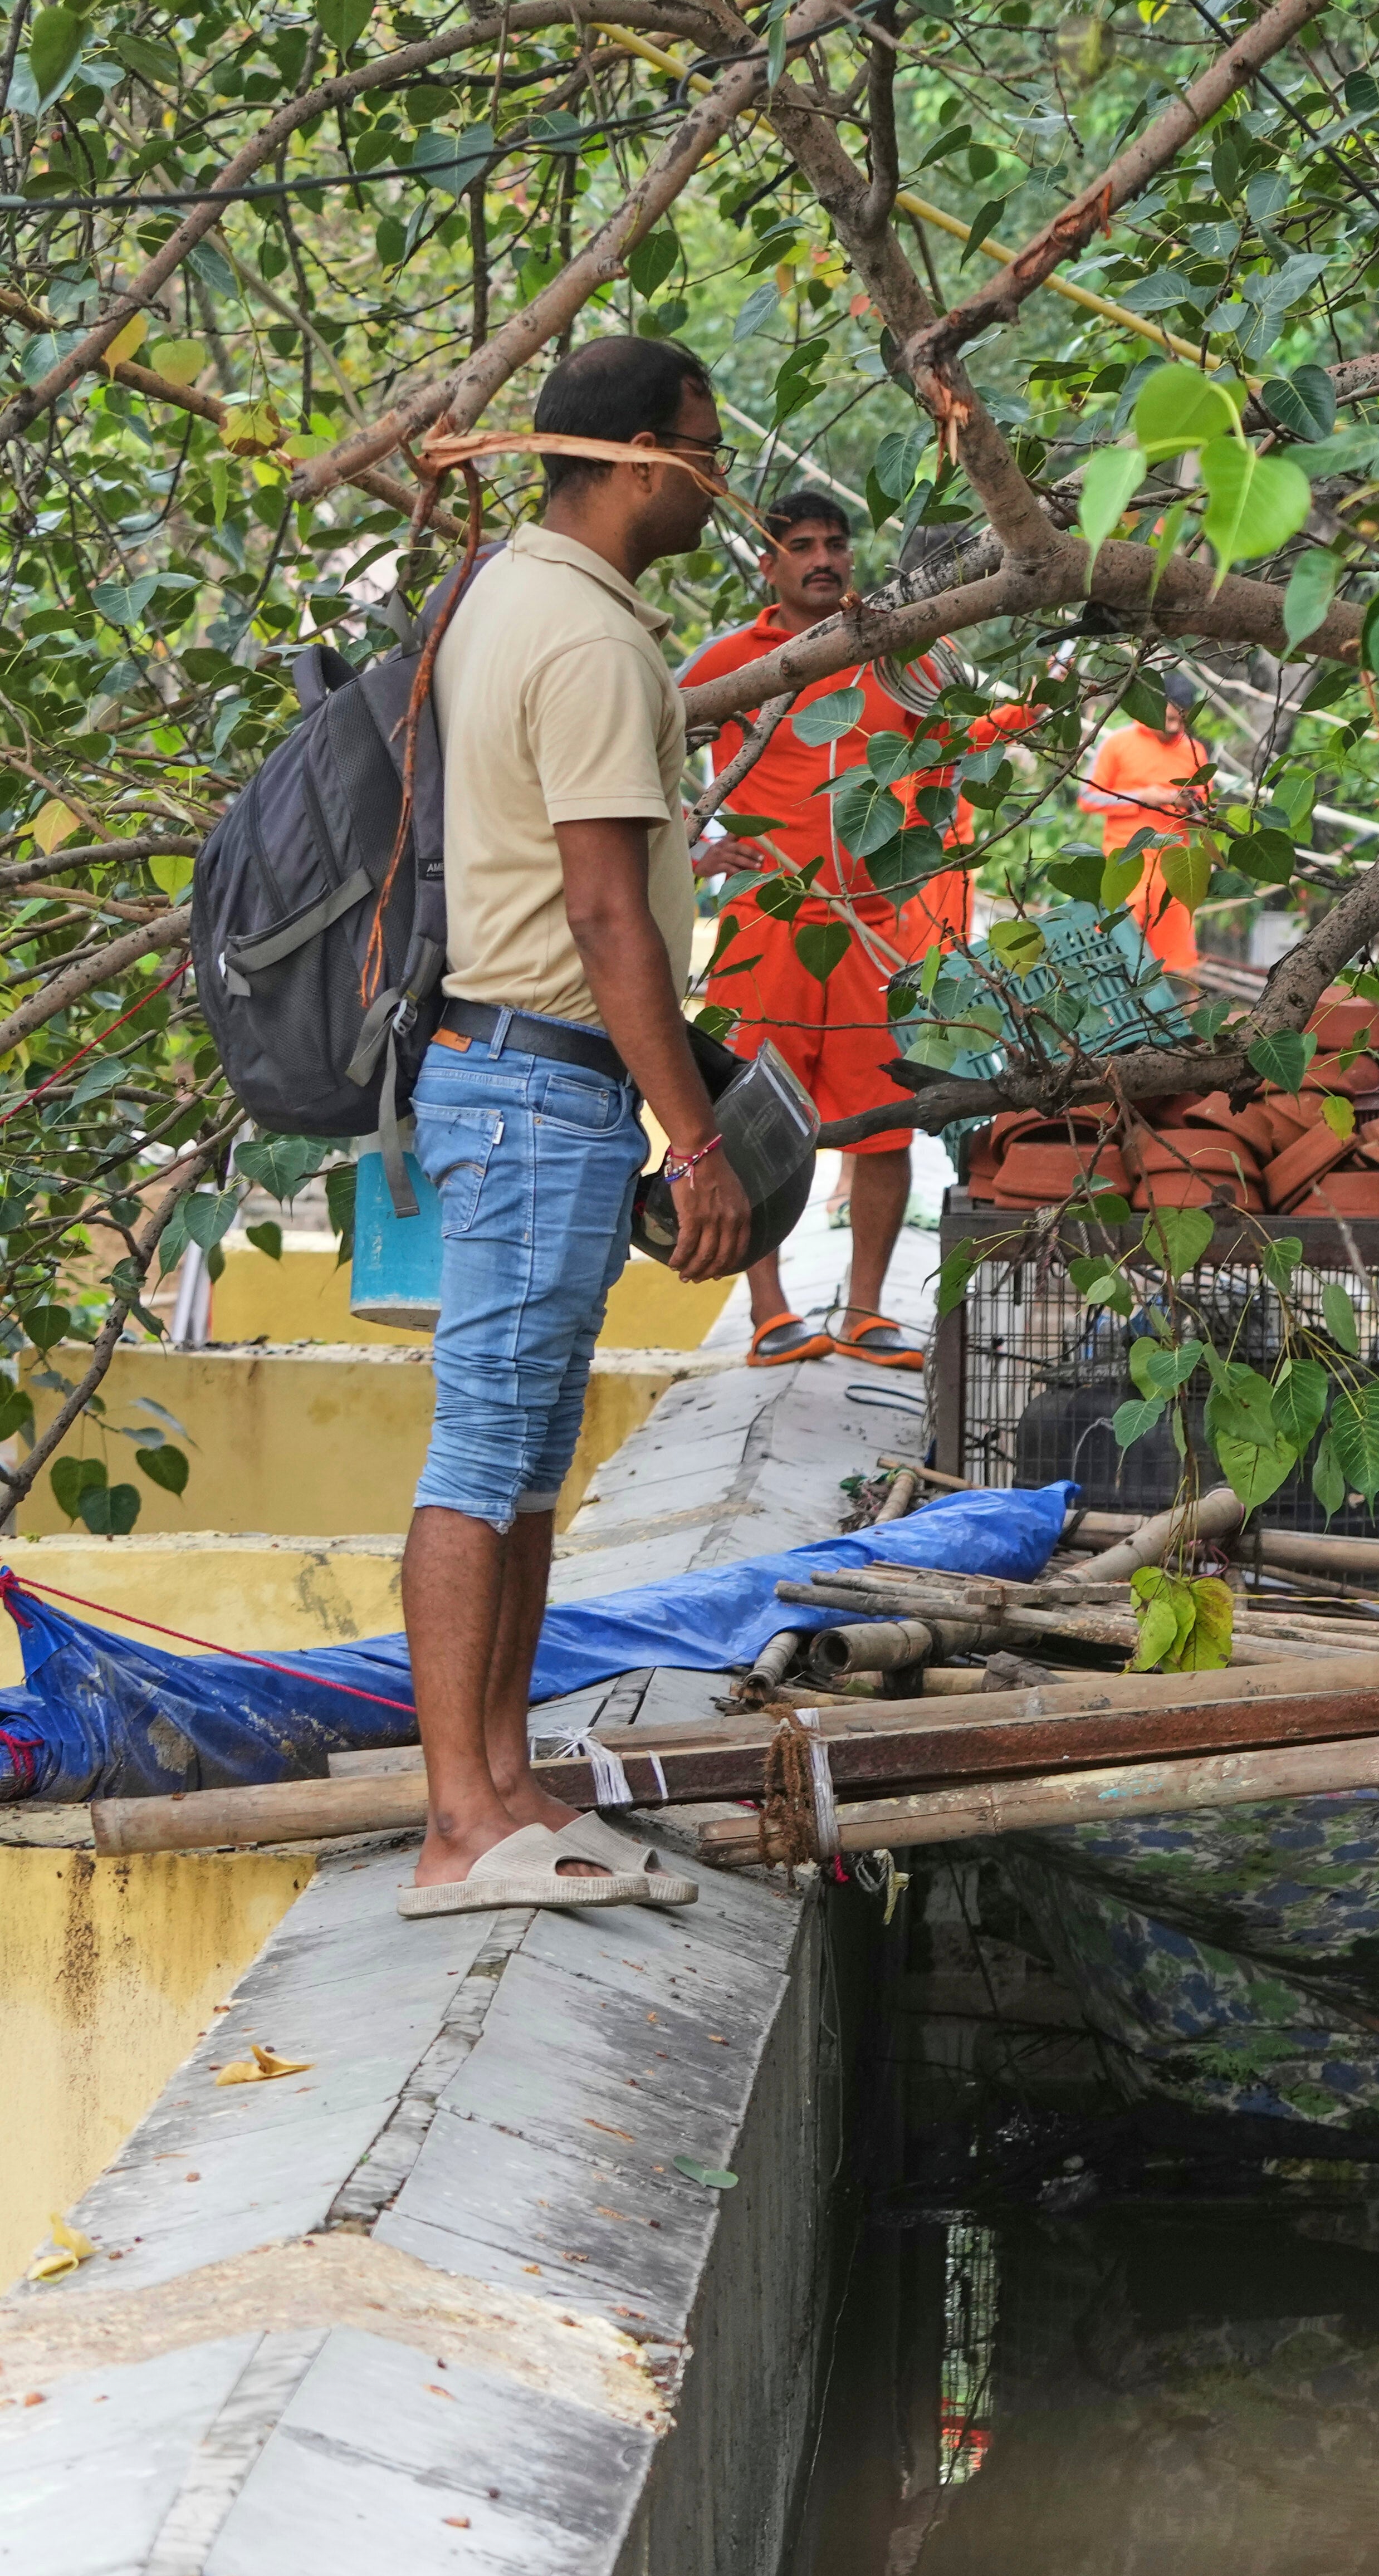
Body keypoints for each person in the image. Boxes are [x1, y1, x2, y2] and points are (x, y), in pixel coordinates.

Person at [400, 335, 754, 1916]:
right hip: (540, 1080)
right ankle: (455, 1824)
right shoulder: (590, 643)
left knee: (531, 1451)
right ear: (628, 457)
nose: (716, 476)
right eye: (701, 447)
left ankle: (504, 1781)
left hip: (522, 1077)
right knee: (484, 1452)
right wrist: (696, 1138)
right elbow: (609, 914)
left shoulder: (512, 592)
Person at [682, 488, 1034, 1369]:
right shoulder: (730, 662)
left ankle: (867, 1311)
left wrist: (1049, 698)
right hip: (764, 928)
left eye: (835, 542)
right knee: (747, 1121)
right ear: (768, 563)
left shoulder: (901, 654)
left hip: (878, 932)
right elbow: (632, 747)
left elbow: (969, 734)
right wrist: (687, 851)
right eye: (800, 544)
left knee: (882, 1123)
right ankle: (770, 1313)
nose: (822, 558)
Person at [1077, 684, 1215, 976]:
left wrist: (1192, 807)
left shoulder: (1195, 750)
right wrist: (1144, 797)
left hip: (1175, 870)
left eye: (1182, 717)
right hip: (1127, 864)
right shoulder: (1118, 743)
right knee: (1115, 950)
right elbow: (1087, 797)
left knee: (1179, 965)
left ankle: (1177, 1020)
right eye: (1170, 716)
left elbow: (1206, 815)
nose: (1176, 724)